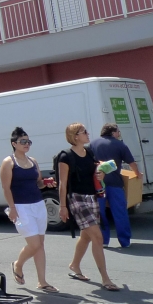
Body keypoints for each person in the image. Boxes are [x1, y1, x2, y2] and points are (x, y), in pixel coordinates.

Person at [58, 122, 120, 291]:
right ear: (75, 136)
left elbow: (96, 171)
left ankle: (74, 265)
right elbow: (62, 184)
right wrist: (62, 206)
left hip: (92, 197)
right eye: (84, 131)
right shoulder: (65, 156)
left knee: (86, 236)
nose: (87, 133)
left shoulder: (89, 152)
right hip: (77, 199)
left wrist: (102, 173)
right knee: (97, 237)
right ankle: (105, 278)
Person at [0, 127, 58, 292]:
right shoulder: (8, 162)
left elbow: (38, 183)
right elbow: (6, 188)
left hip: (38, 205)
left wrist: (46, 183)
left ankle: (42, 281)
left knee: (40, 244)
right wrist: (12, 208)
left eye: (28, 141)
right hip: (21, 207)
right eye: (23, 141)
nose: (27, 144)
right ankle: (18, 264)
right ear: (14, 144)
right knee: (34, 244)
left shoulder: (33, 161)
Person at [90, 123, 140, 247]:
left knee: (100, 214)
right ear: (113, 132)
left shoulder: (93, 144)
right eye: (118, 132)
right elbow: (132, 163)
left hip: (98, 185)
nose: (119, 134)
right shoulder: (120, 144)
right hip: (115, 184)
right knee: (120, 213)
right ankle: (125, 241)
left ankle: (103, 241)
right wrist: (138, 174)